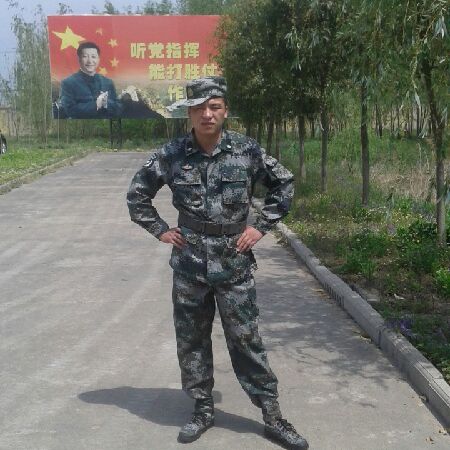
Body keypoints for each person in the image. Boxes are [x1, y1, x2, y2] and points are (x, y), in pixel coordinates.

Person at [127, 76, 309, 450]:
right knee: (191, 339)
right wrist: (160, 230)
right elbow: (137, 195)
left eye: (214, 107)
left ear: (225, 110)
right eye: (199, 108)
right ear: (189, 114)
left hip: (233, 261)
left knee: (245, 339)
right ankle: (202, 408)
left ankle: (272, 415)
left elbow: (284, 183)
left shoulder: (246, 150)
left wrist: (260, 227)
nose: (207, 114)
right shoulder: (172, 154)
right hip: (190, 263)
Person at [58, 42, 121, 119]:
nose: (90, 61)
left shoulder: (108, 82)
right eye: (85, 56)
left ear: (98, 59)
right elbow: (69, 110)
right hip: (81, 125)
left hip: (105, 123)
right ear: (79, 59)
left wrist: (106, 103)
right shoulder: (68, 83)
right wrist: (96, 104)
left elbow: (118, 108)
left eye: (93, 57)